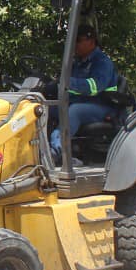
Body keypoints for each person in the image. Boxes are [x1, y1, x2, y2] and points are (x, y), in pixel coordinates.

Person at [48, 23, 122, 164]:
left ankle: (56, 153)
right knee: (44, 109)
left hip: (102, 106)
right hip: (81, 103)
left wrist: (67, 82)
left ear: (91, 41)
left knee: (74, 111)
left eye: (78, 41)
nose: (74, 45)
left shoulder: (102, 62)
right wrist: (51, 86)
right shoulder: (78, 62)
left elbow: (95, 86)